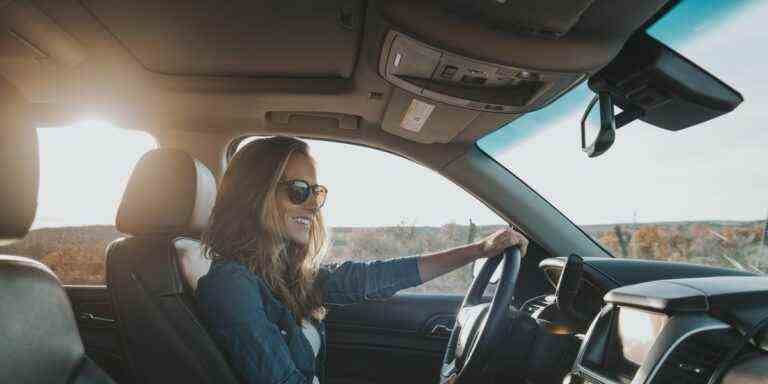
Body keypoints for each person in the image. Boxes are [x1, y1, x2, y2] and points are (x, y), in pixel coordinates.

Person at [197, 136, 529, 384]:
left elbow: (371, 278)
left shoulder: (285, 274)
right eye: (299, 190)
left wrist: (478, 250)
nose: (313, 204)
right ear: (255, 194)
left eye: (316, 192)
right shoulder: (231, 285)